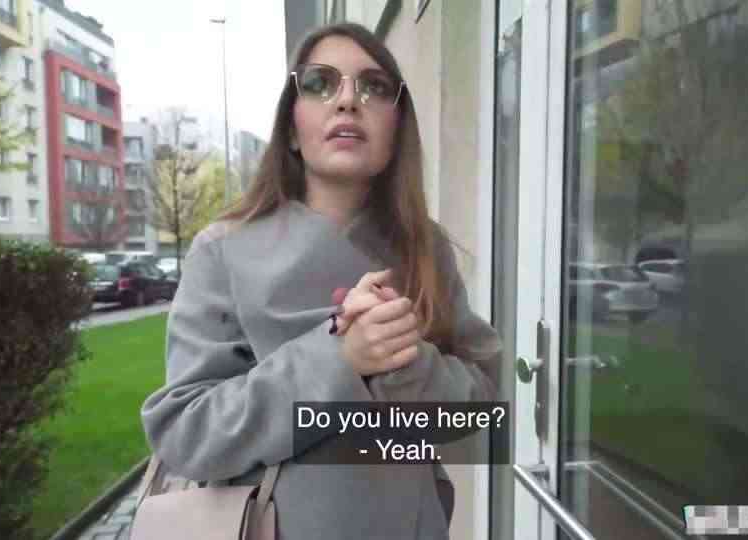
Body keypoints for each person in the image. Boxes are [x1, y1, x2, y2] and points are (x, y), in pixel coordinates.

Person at [140, 22, 503, 540]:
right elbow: (185, 433)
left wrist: (408, 363)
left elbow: (480, 416)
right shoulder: (223, 250)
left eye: (374, 86)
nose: (348, 101)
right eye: (319, 83)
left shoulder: (426, 250)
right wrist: (340, 358)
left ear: (398, 126)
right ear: (291, 128)